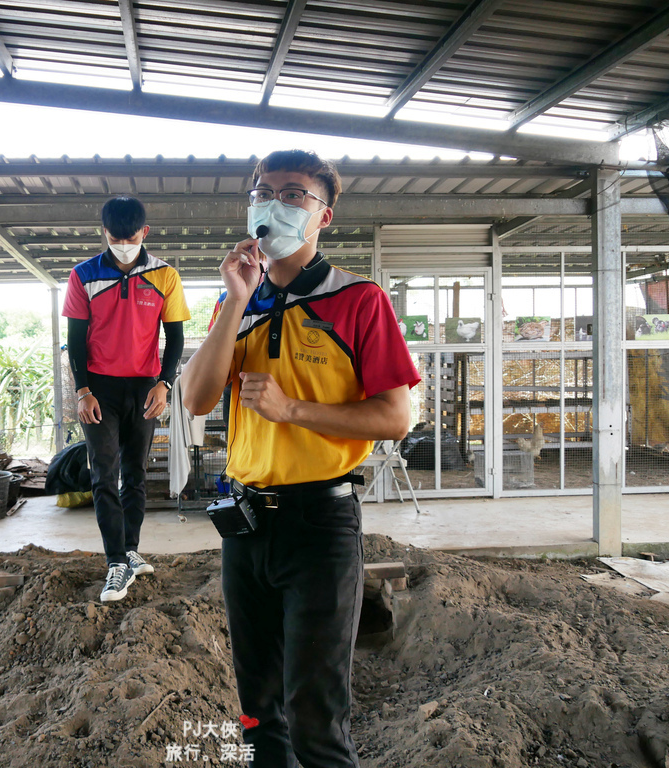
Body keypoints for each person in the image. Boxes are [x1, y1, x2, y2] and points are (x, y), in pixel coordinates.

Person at [180, 150, 420, 767]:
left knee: (315, 714)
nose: (273, 203)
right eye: (263, 192)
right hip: (246, 524)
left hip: (320, 524)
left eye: (293, 195)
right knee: (258, 711)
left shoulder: (358, 300)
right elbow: (196, 397)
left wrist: (295, 410)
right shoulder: (237, 302)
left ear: (324, 216)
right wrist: (235, 301)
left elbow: (396, 417)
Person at [63, 196, 190, 602]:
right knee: (104, 472)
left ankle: (131, 551)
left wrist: (165, 384)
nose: (123, 244)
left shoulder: (165, 275)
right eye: (116, 238)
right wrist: (83, 391)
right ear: (105, 233)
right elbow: (75, 340)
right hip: (98, 388)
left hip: (145, 386)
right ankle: (115, 562)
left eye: (131, 238)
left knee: (135, 473)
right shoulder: (82, 276)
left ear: (144, 234)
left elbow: (176, 337)